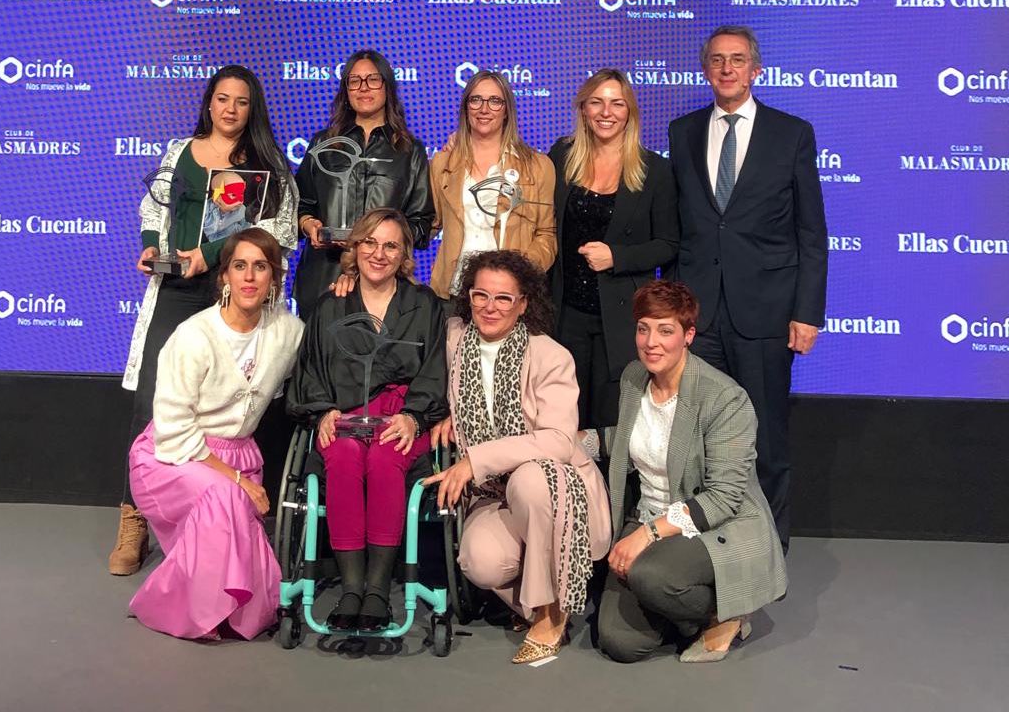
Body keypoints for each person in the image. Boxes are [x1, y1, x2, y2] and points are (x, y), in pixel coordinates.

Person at [111, 66, 298, 576]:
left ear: (252, 109)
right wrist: (151, 246)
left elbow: (276, 233)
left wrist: (211, 254)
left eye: (241, 101)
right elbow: (154, 208)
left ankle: (225, 514)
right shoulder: (180, 152)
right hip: (176, 289)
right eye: (222, 98)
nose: (230, 109)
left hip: (237, 294)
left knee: (235, 399)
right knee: (153, 399)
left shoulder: (267, 167)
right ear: (209, 103)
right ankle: (134, 519)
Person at [667, 26, 827, 550]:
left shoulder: (791, 134)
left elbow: (811, 232)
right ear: (705, 70)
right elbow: (682, 226)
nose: (727, 69)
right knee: (696, 438)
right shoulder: (682, 132)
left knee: (766, 440)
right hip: (698, 315)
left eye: (737, 60)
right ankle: (702, 548)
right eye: (717, 60)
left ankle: (768, 551)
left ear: (756, 70)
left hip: (766, 313)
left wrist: (808, 311)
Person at [425, 251, 611, 664]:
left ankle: (550, 614)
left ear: (523, 304)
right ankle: (535, 599)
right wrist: (445, 414)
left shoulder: (550, 355)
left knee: (530, 478)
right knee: (480, 562)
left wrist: (475, 460)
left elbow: (558, 441)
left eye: (504, 298)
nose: (490, 307)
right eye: (481, 295)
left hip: (556, 489)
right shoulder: (454, 338)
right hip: (493, 494)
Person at [126, 229, 305, 640]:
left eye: (260, 267)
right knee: (225, 497)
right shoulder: (194, 336)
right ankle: (189, 609)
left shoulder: (289, 332)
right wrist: (237, 480)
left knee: (228, 502)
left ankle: (227, 608)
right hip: (171, 456)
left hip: (239, 455)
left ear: (275, 278)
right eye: (239, 266)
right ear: (224, 276)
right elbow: (173, 429)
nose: (250, 277)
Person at [597, 281, 787, 664]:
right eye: (643, 329)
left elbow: (723, 498)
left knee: (647, 576)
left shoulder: (724, 398)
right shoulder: (634, 378)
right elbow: (632, 438)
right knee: (620, 643)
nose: (651, 342)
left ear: (688, 335)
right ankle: (678, 609)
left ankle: (725, 613)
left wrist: (646, 535)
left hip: (713, 524)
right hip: (650, 514)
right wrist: (571, 442)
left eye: (665, 331)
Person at [286, 207, 448, 631]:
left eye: (391, 245)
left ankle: (376, 589)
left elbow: (436, 369)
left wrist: (414, 416)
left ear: (405, 254)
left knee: (383, 457)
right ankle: (351, 588)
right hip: (345, 415)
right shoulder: (331, 305)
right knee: (342, 456)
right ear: (355, 247)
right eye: (370, 243)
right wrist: (322, 410)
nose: (379, 254)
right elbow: (310, 369)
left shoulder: (424, 305)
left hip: (402, 417)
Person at [549, 69, 678, 433]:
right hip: (565, 316)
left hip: (620, 320)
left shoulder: (655, 170)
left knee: (613, 427)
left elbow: (668, 244)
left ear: (629, 112)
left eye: (617, 104)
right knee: (563, 424)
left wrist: (617, 257)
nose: (606, 112)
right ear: (583, 109)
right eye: (597, 102)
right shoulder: (561, 156)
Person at [294, 49, 434, 313]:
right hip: (323, 279)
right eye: (355, 81)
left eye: (373, 79)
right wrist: (309, 225)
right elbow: (299, 205)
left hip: (384, 285)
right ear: (346, 90)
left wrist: (378, 241)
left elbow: (421, 225)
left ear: (387, 86)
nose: (363, 88)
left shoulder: (409, 150)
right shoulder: (323, 143)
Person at [428, 70, 556, 306]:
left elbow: (547, 234)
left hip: (510, 294)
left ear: (507, 110)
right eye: (476, 100)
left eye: (495, 101)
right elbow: (428, 224)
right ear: (466, 108)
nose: (484, 109)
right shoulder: (442, 163)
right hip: (454, 294)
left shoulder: (538, 166)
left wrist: (520, 270)